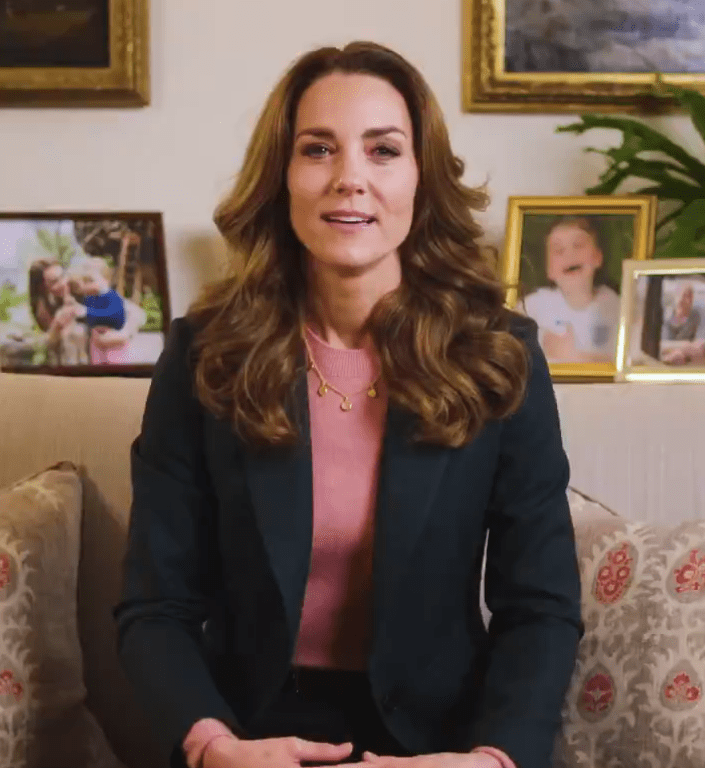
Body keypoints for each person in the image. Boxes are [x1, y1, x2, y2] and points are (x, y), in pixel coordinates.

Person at [114, 41, 582, 768]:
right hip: (248, 736)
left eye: (383, 150)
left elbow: (539, 606)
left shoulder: (500, 354)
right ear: (281, 177)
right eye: (318, 149)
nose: (349, 179)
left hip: (442, 746)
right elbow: (155, 607)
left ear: (422, 178)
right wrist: (213, 746)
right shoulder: (204, 355)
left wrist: (491, 758)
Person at [522, 216, 621, 364]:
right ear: (549, 270)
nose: (569, 254)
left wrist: (574, 357)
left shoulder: (613, 305)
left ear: (597, 257)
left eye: (578, 245)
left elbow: (624, 362)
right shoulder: (535, 305)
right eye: (559, 250)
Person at [63, 256, 146, 365]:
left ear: (106, 280)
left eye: (91, 280)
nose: (86, 285)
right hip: (98, 349)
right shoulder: (90, 298)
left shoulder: (112, 297)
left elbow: (117, 315)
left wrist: (86, 312)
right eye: (85, 281)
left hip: (116, 350)